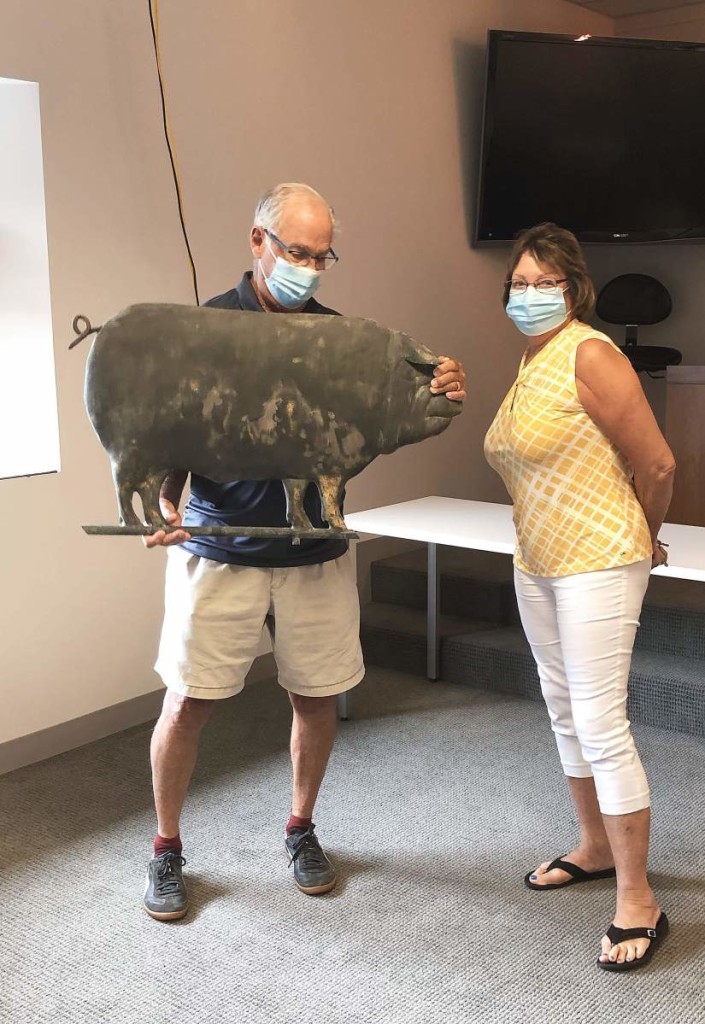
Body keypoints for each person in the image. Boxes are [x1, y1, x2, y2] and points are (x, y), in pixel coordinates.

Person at [142, 182, 467, 920]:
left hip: (313, 552)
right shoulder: (202, 332)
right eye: (299, 252)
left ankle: (300, 828)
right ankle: (165, 848)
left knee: (315, 700)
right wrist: (166, 509)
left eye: (324, 256)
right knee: (187, 703)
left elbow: (375, 428)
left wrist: (441, 393)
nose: (312, 268)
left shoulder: (341, 342)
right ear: (258, 241)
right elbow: (170, 444)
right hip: (218, 549)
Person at [484, 223, 674, 971]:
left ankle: (638, 900)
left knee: (600, 721)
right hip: (537, 559)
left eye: (545, 284)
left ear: (574, 290)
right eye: (520, 283)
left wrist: (645, 535)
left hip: (597, 558)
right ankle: (594, 846)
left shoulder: (590, 351)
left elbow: (655, 463)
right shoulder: (530, 358)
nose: (529, 295)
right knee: (562, 709)